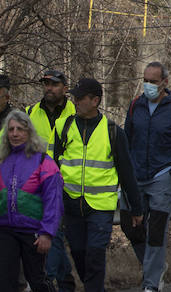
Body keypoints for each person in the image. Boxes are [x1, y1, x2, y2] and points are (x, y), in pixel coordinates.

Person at [55, 79, 143, 292]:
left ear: (95, 101)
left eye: (80, 98)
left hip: (100, 208)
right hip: (71, 203)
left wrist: (136, 208)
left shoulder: (113, 132)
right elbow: (51, 167)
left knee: (95, 254)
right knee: (78, 252)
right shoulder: (63, 127)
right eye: (74, 97)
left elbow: (127, 173)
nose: (74, 101)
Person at [121, 61, 171, 292]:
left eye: (153, 81)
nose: (148, 85)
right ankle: (155, 266)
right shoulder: (135, 107)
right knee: (128, 225)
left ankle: (150, 285)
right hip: (135, 177)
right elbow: (126, 142)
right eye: (145, 80)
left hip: (162, 176)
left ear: (165, 82)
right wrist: (125, 172)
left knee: (156, 232)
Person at [1, 109, 63, 292]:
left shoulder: (44, 161)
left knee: (37, 281)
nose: (14, 134)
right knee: (5, 282)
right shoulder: (2, 160)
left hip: (33, 232)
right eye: (11, 129)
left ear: (29, 132)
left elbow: (54, 201)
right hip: (5, 230)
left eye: (19, 129)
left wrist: (47, 232)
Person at [29, 69, 76, 292]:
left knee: (56, 235)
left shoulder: (75, 112)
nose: (49, 88)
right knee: (54, 233)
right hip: (40, 185)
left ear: (65, 88)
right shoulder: (30, 113)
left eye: (54, 84)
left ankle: (55, 280)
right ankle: (59, 282)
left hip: (69, 184)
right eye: (46, 84)